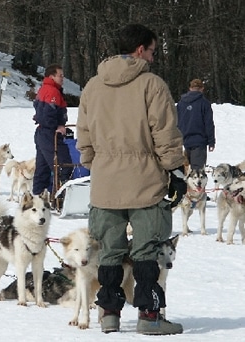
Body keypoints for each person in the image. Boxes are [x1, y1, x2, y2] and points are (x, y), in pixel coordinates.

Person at [76, 24, 186, 335]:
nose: (152, 58)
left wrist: (93, 164)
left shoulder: (93, 86)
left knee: (109, 249)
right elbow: (164, 133)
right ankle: (149, 315)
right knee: (146, 249)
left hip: (105, 183)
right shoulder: (152, 85)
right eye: (152, 51)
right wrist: (175, 170)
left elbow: (83, 135)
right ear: (140, 50)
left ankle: (109, 313)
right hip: (145, 183)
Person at [32, 64, 73, 198]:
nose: (63, 78)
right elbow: (48, 114)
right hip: (50, 134)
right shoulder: (52, 91)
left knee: (42, 168)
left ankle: (38, 197)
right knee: (62, 164)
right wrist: (57, 126)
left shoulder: (45, 88)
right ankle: (60, 197)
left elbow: (39, 109)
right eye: (60, 75)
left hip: (42, 133)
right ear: (52, 76)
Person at [176, 78, 215, 170]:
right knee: (197, 174)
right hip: (199, 142)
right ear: (202, 88)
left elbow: (175, 121)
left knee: (185, 172)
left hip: (184, 141)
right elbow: (208, 123)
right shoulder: (204, 103)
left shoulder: (181, 103)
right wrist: (211, 141)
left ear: (190, 88)